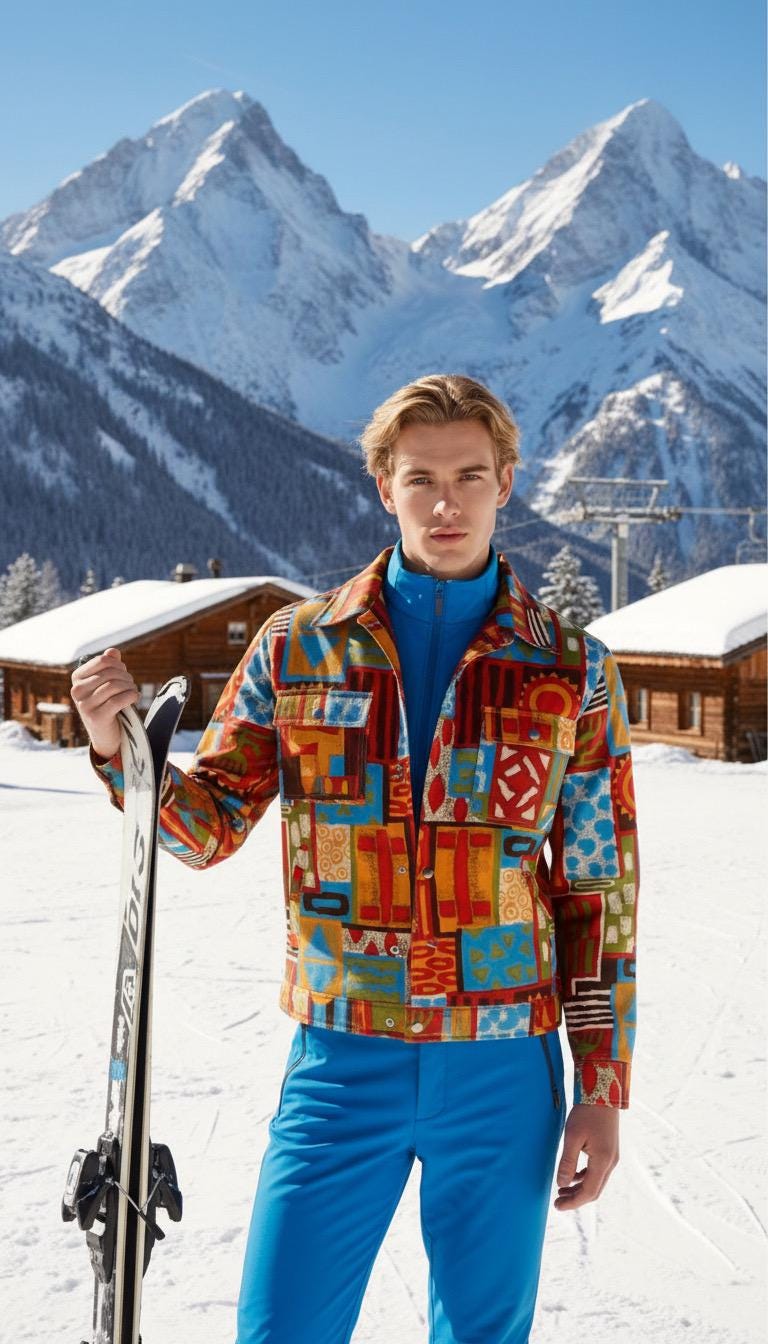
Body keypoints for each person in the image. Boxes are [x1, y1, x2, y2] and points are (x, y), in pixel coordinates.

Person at [72, 373, 639, 1344]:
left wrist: (602, 1089)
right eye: (422, 479)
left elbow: (599, 894)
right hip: (341, 1056)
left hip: (501, 1067)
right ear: (385, 486)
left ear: (506, 482)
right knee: (281, 1326)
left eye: (469, 476)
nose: (447, 503)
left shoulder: (572, 670)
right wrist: (118, 751)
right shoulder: (298, 649)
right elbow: (206, 827)